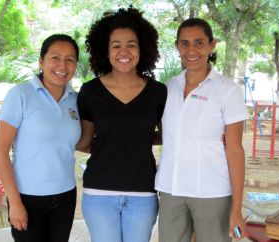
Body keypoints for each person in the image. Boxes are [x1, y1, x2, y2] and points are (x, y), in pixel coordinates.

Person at [75, 7, 167, 242]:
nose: (123, 51)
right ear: (106, 51)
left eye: (131, 44)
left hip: (142, 193)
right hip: (99, 193)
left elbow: (166, 135)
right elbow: (86, 141)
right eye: (116, 45)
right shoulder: (90, 92)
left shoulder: (158, 92)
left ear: (142, 48)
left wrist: (139, 138)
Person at [155, 18, 249, 242]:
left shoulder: (228, 91)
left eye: (199, 43)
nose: (192, 50)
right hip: (171, 190)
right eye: (185, 43)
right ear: (177, 46)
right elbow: (164, 134)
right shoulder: (168, 88)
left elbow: (235, 150)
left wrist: (236, 209)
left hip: (212, 193)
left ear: (212, 45)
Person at [0, 34, 81, 242]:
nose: (62, 65)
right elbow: (0, 151)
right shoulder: (21, 95)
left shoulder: (76, 100)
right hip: (27, 197)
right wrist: (14, 202)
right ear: (41, 61)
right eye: (55, 58)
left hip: (65, 195)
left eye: (70, 59)